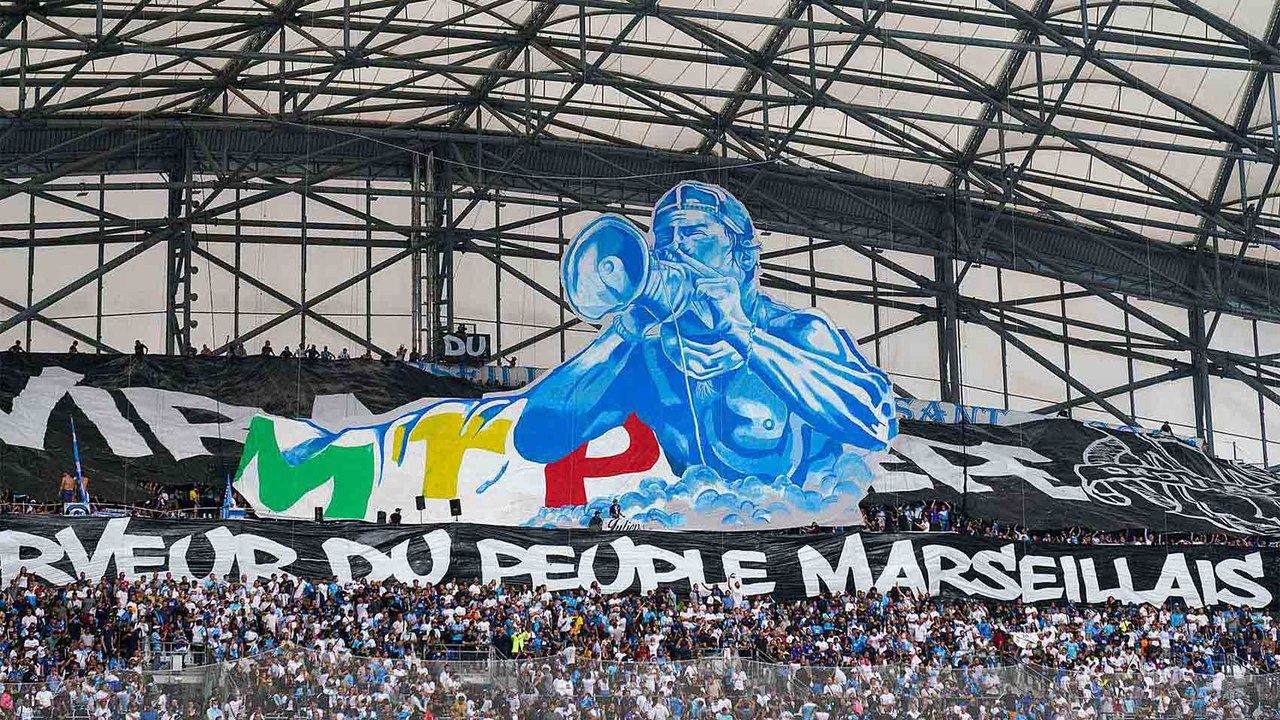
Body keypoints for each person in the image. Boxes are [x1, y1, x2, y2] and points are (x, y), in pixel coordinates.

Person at [512, 181, 896, 485]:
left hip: (806, 542)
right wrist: (624, 331)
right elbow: (537, 438)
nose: (675, 252)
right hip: (710, 543)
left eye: (695, 235)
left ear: (744, 256)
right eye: (664, 241)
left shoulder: (799, 331)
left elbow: (875, 425)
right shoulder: (650, 360)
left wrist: (741, 333)